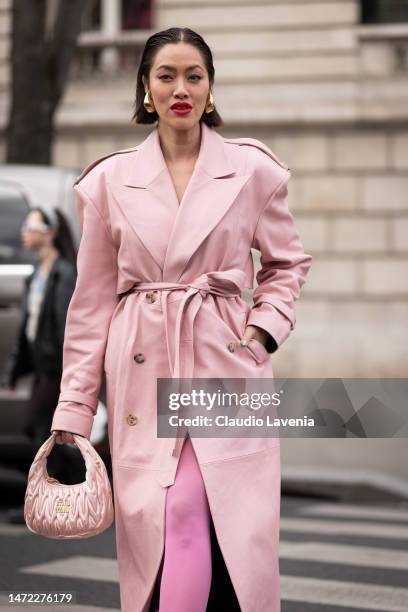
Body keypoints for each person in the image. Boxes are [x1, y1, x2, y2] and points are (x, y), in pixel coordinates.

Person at [50, 27, 313, 612]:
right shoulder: (106, 183)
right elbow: (90, 304)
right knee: (165, 521)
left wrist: (261, 330)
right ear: (145, 89)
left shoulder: (253, 170)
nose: (181, 88)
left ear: (211, 88)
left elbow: (288, 263)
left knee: (195, 512)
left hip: (225, 362)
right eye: (166, 75)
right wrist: (74, 407)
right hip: (144, 368)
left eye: (194, 75)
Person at [1, 206, 78, 522]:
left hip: (55, 369)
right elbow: (27, 330)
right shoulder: (37, 274)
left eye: (30, 226)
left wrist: (69, 371)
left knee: (38, 428)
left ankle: (48, 500)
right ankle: (62, 498)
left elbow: (65, 327)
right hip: (40, 368)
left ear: (48, 232)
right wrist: (14, 371)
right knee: (46, 432)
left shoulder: (63, 273)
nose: (24, 233)